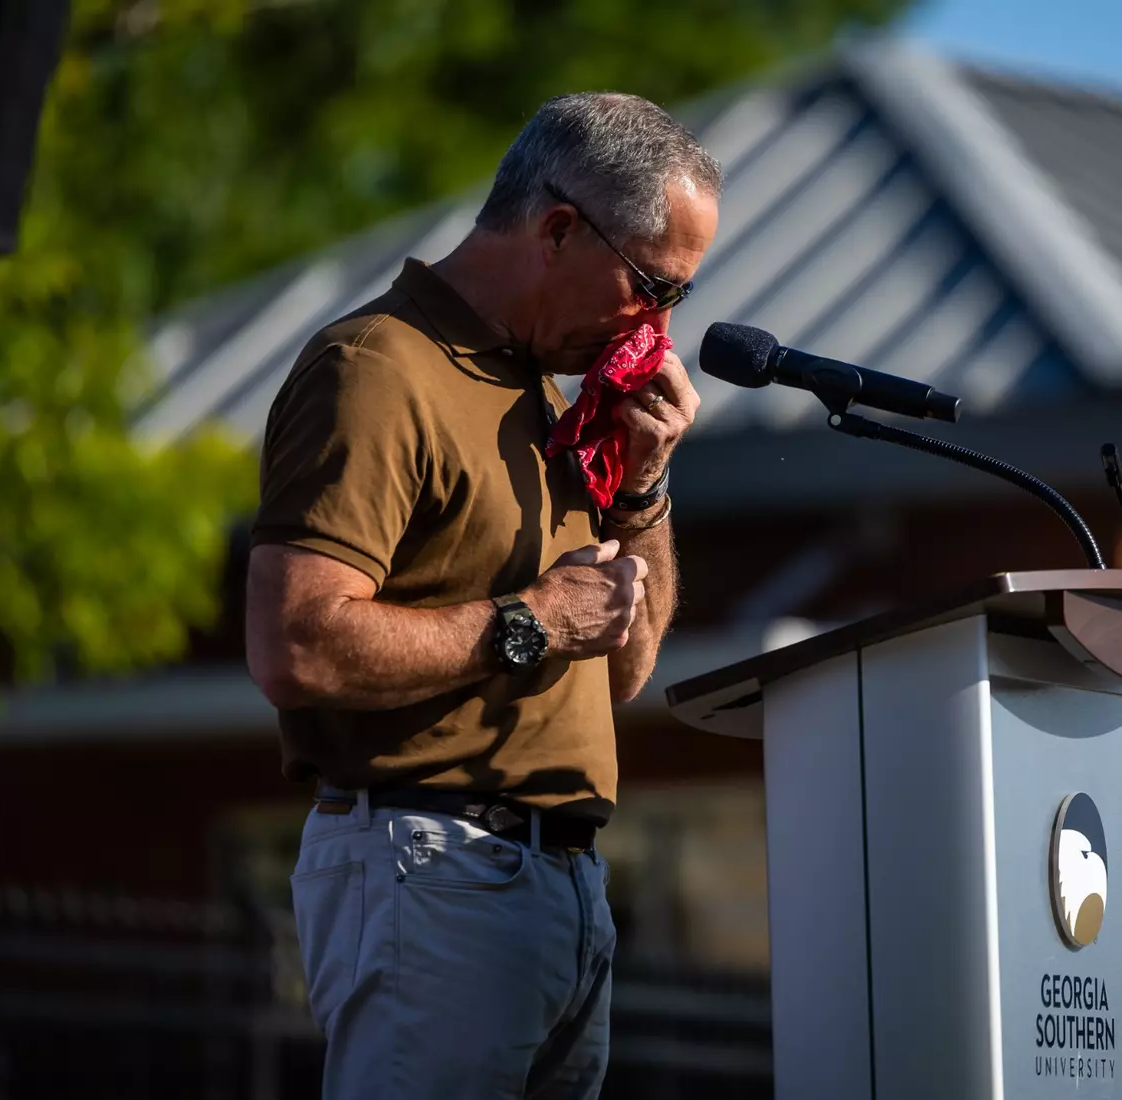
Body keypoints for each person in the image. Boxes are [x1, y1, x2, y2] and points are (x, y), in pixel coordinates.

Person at [243, 91, 722, 1099]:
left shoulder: (542, 394)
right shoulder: (376, 368)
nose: (661, 326)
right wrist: (534, 621)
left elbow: (625, 666)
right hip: (435, 862)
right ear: (557, 229)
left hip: (558, 881)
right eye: (651, 285)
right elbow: (294, 645)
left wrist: (642, 483)